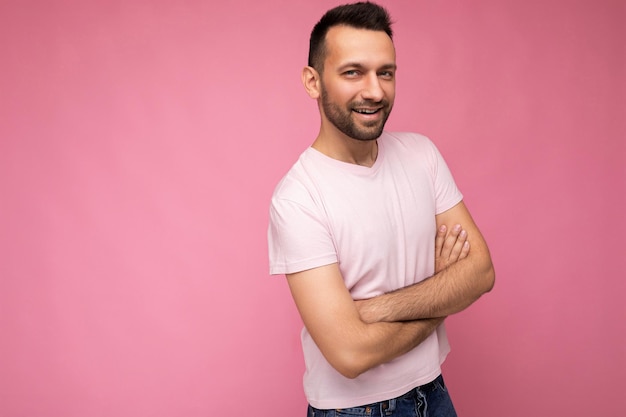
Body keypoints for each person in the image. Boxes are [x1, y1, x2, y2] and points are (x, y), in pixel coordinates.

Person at [267, 2, 495, 416]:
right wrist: (443, 296)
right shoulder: (298, 198)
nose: (374, 90)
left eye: (385, 72)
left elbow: (481, 272)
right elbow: (349, 354)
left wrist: (375, 309)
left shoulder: (421, 154)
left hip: (434, 392)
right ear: (313, 81)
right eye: (353, 72)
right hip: (354, 411)